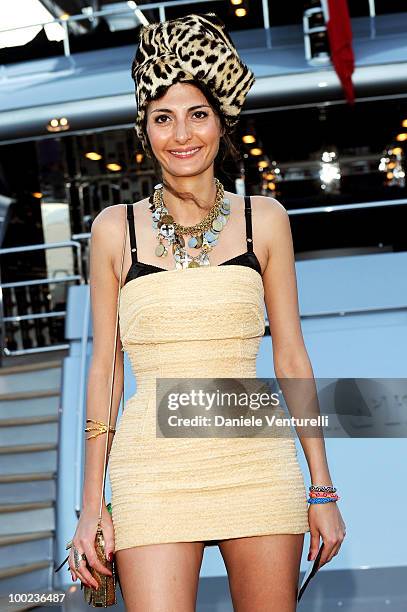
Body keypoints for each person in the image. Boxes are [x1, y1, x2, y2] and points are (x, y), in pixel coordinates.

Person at [67, 12, 346, 611]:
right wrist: (93, 504)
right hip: (152, 471)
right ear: (145, 128)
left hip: (257, 460)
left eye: (198, 113)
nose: (182, 133)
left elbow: (291, 354)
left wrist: (321, 488)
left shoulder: (264, 220)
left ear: (222, 121)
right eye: (163, 117)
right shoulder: (115, 231)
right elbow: (105, 372)